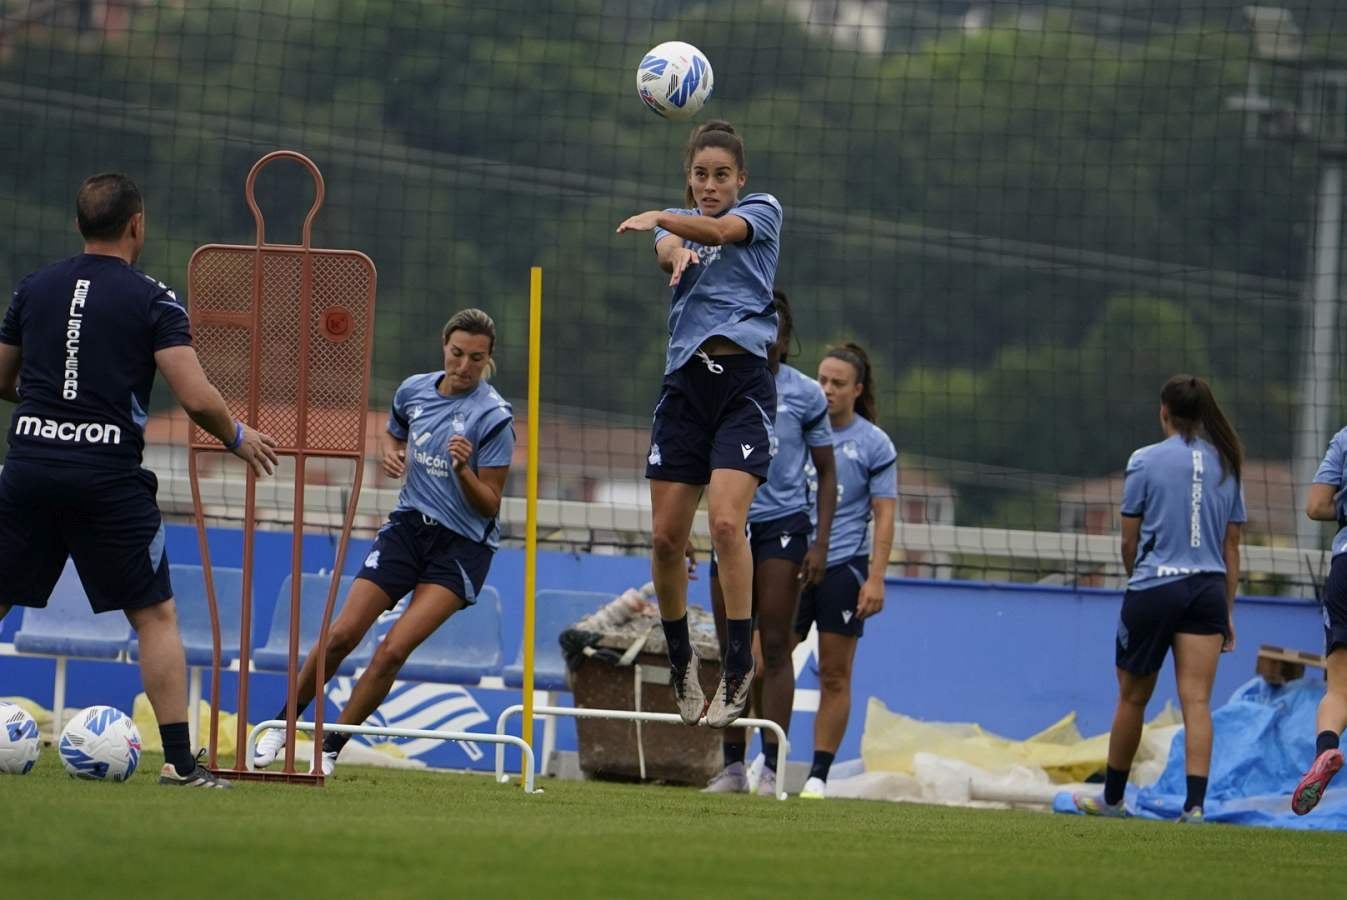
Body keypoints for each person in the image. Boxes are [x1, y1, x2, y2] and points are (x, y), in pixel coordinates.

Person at [0, 173, 279, 788]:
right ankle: (180, 765)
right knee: (153, 617)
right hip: (106, 475)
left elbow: (2, 378)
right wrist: (237, 435)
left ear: (80, 225)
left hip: (29, 465)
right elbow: (195, 394)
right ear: (137, 225)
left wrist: (52, 407)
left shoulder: (34, 286)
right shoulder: (154, 299)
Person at [253, 309, 513, 776]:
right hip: (408, 529)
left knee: (392, 650)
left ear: (489, 359)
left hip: (461, 549)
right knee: (340, 635)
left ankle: (329, 748)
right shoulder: (412, 390)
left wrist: (461, 470)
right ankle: (282, 723)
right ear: (443, 346)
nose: (464, 366)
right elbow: (393, 436)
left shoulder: (492, 418)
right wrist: (392, 454)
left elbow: (490, 505)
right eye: (457, 354)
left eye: (476, 358)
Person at [617, 120, 783, 727]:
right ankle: (682, 660)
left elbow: (715, 230)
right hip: (685, 387)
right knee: (665, 539)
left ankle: (738, 664)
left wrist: (661, 220)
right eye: (700, 175)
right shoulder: (673, 224)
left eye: (721, 175)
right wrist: (667, 243)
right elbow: (671, 248)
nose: (709, 185)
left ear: (740, 178)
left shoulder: (762, 212)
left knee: (724, 521)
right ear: (688, 178)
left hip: (742, 386)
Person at [1073, 375, 1245, 823]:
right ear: (1204, 414)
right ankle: (1195, 808)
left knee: (1132, 698)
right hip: (1208, 590)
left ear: (1163, 411)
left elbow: (1129, 542)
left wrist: (1140, 582)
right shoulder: (1228, 463)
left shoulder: (1144, 460)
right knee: (1198, 702)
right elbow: (1232, 548)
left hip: (1154, 586)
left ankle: (1112, 800)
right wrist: (1226, 611)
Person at [704, 289, 837, 796]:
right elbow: (704, 462)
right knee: (731, 647)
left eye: (777, 332)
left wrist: (820, 542)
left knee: (776, 646)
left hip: (783, 525)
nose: (769, 341)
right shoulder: (724, 383)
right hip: (731, 527)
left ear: (786, 336)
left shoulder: (805, 394)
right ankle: (732, 766)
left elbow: (826, 472)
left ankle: (771, 764)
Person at [793, 342, 896, 799]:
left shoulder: (874, 443)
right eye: (821, 380)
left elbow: (886, 515)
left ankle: (817, 774)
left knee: (835, 674)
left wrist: (875, 577)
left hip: (843, 569)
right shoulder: (796, 427)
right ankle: (763, 761)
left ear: (857, 389)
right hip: (789, 560)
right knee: (760, 661)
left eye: (837, 383)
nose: (827, 389)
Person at [1290, 428, 1347, 814]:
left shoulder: (1344, 437)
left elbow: (1315, 505)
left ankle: (1326, 750)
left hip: (1345, 565)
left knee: (1339, 687)